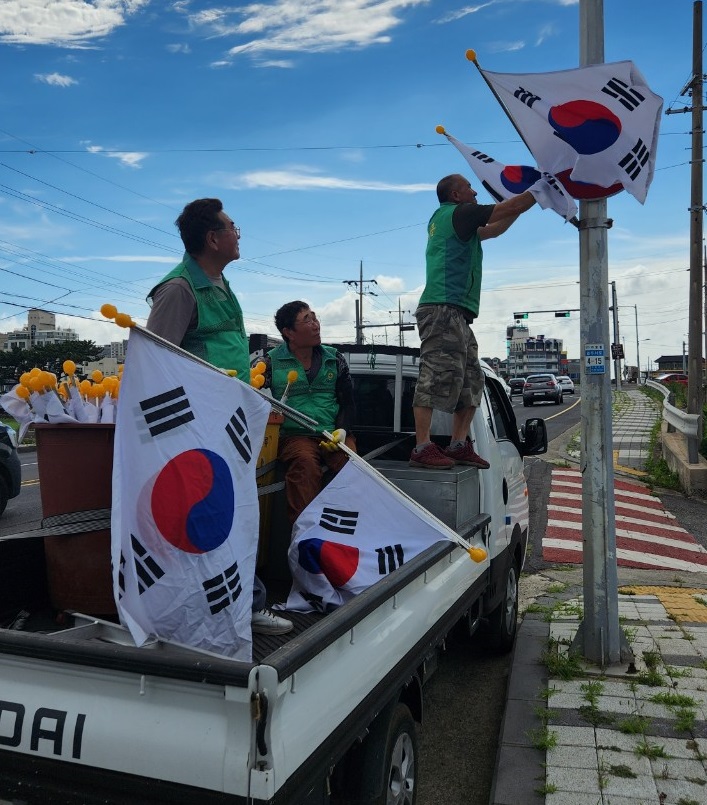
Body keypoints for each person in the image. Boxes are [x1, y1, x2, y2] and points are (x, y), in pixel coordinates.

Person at [146, 197, 292, 636]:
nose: (238, 234)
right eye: (233, 227)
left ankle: (243, 605)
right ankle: (218, 610)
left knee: (237, 519)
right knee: (213, 523)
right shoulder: (178, 290)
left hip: (227, 427)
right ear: (213, 238)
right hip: (196, 432)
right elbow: (156, 364)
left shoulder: (220, 284)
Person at [410, 175, 536, 470]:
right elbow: (506, 209)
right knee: (434, 374)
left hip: (457, 312)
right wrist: (543, 188)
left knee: (472, 378)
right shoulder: (459, 213)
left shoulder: (454, 220)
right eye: (469, 187)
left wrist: (519, 206)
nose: (475, 191)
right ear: (456, 194)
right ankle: (422, 446)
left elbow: (495, 228)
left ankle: (458, 443)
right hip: (441, 308)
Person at [263, 301, 356, 525]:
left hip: (332, 433)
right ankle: (304, 534)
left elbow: (349, 401)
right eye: (308, 320)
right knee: (305, 466)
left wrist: (342, 430)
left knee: (354, 468)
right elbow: (251, 397)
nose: (316, 325)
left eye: (315, 318)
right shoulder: (271, 361)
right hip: (294, 436)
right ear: (289, 333)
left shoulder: (335, 358)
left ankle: (352, 534)